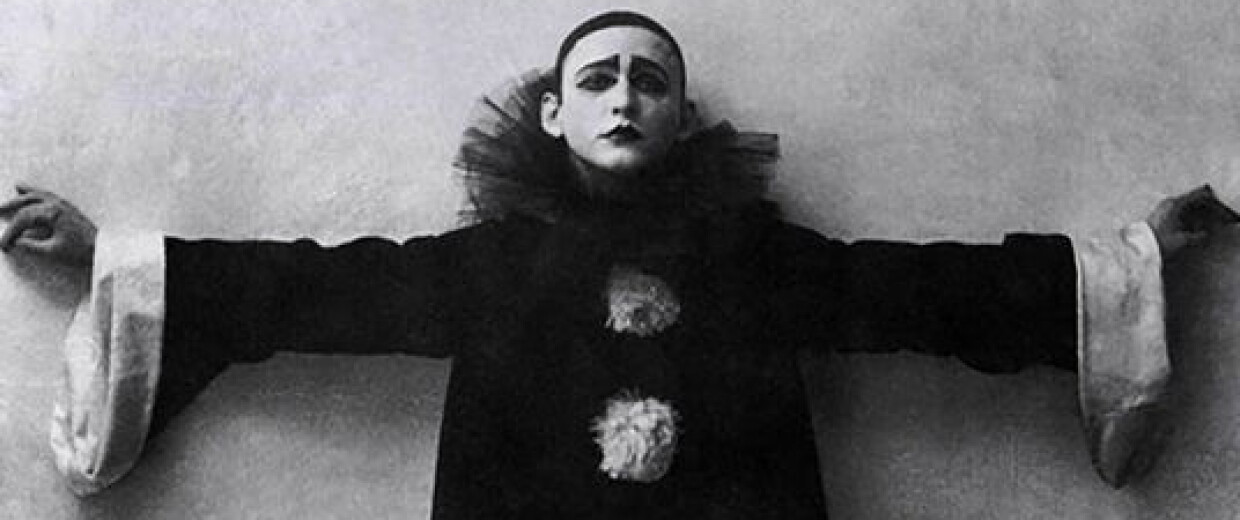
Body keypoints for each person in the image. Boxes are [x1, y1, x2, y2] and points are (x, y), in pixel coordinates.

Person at [3, 10, 1237, 519]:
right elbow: (307, 289)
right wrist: (109, 257)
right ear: (552, 114)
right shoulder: (487, 265)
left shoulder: (756, 260)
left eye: (651, 80)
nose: (625, 96)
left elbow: (928, 293)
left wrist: (1133, 260)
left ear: (682, 119)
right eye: (597, 78)